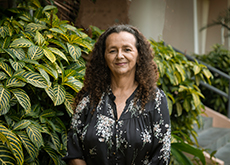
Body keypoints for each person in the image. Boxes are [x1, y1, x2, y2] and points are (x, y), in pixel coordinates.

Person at [62, 24, 171, 165]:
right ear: (104, 57)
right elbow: (74, 151)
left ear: (139, 55)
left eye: (127, 49)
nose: (120, 56)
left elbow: (162, 155)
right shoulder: (89, 98)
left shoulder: (155, 99)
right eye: (112, 51)